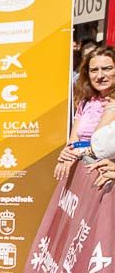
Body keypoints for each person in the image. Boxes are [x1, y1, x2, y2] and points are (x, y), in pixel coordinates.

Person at [54, 45, 115, 180]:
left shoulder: (112, 105)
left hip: (105, 176)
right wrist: (67, 153)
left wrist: (76, 151)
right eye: (94, 70)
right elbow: (73, 140)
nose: (100, 76)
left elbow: (98, 143)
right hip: (83, 174)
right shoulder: (86, 101)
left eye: (107, 69)